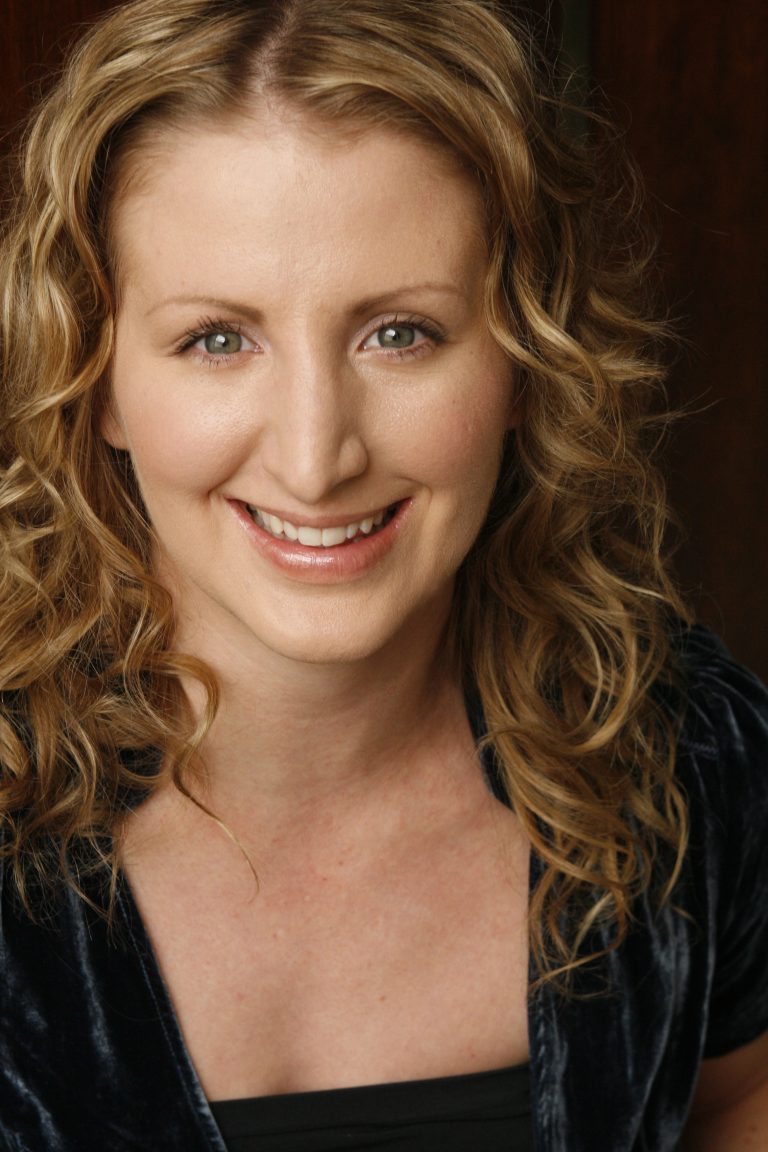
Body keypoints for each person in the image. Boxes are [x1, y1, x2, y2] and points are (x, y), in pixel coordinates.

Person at [0, 0, 766, 1149]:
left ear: (524, 357)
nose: (316, 459)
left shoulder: (693, 757)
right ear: (97, 377)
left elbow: (741, 1095)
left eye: (400, 333)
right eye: (218, 338)